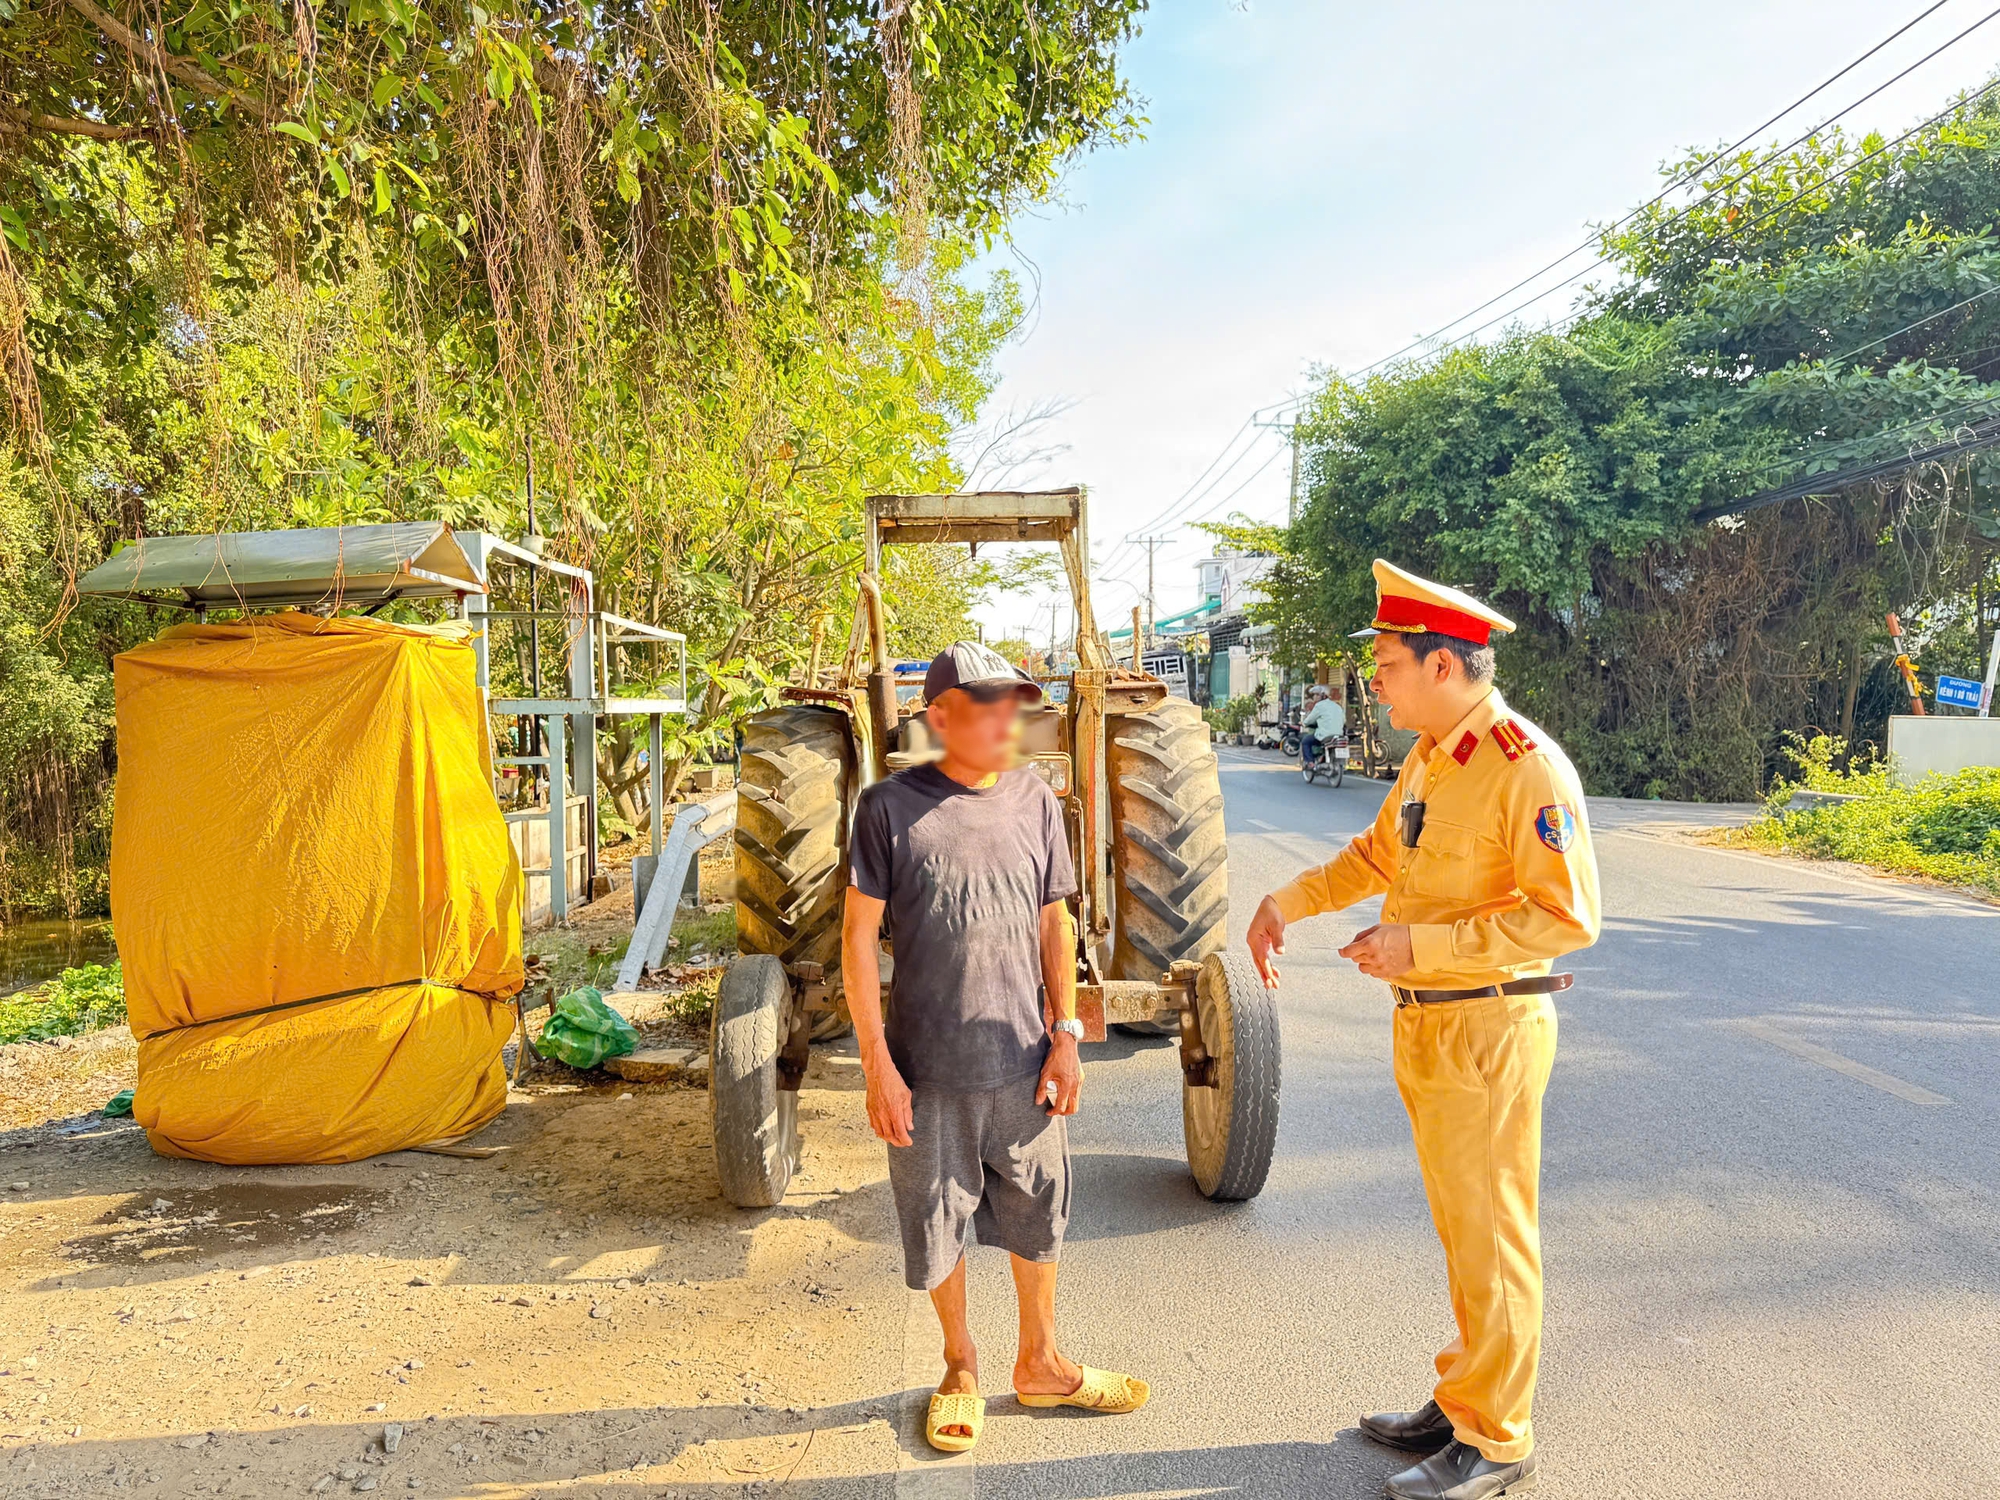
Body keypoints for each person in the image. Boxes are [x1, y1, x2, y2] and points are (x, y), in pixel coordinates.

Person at [1246, 560, 1600, 1500]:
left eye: (1388, 662)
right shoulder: (1432, 755)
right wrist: (1290, 900)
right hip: (1434, 1033)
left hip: (1488, 1029)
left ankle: (1499, 1438)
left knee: (1495, 1238)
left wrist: (1423, 947)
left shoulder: (1525, 765)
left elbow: (1568, 918)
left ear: (1443, 666)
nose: (1376, 679)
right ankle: (1466, 1395)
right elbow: (1376, 853)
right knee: (1463, 1233)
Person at [842, 640, 1150, 1454]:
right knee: (935, 1220)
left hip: (1024, 1061)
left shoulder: (1033, 798)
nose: (1010, 719)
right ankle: (960, 1366)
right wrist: (877, 1063)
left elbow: (1056, 919)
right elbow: (858, 940)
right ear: (940, 717)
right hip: (926, 1068)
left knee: (1038, 1211)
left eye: (1015, 704)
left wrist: (1067, 1035)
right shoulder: (886, 808)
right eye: (990, 705)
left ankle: (1042, 1362)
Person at [1299, 683, 1346, 769]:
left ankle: (1310, 762)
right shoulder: (1337, 706)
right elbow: (1344, 720)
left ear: (1323, 696)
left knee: (1306, 741)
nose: (1315, 697)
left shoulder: (1319, 706)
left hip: (1325, 736)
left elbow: (1310, 719)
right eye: (1314, 695)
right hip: (1339, 735)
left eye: (1317, 695)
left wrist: (1303, 723)